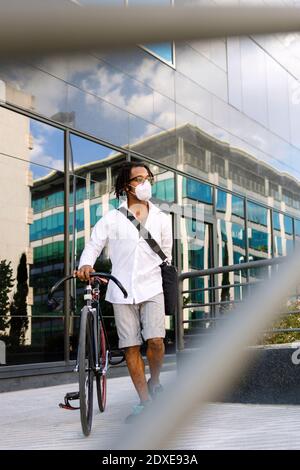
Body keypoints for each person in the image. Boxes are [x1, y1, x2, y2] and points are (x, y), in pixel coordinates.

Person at [74, 161, 173, 422]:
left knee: (156, 341)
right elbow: (94, 245)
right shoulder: (112, 218)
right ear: (126, 186)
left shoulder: (163, 219)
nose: (145, 183)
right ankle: (145, 402)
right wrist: (86, 264)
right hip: (120, 290)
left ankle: (156, 380)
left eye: (147, 177)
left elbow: (167, 256)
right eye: (139, 179)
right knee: (130, 347)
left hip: (152, 287)